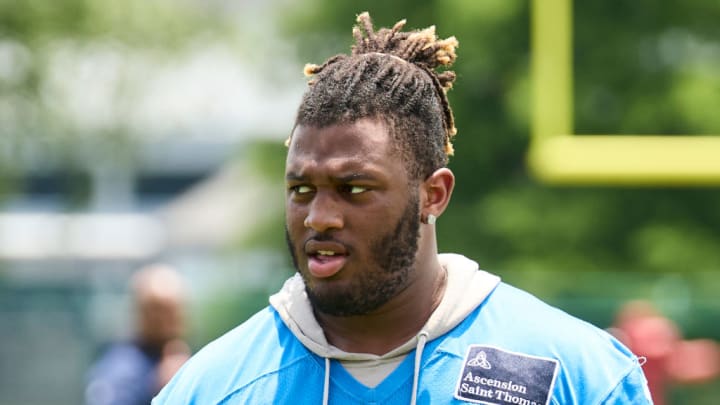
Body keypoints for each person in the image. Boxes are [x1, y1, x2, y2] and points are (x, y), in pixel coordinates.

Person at [154, 12, 653, 404]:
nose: (319, 217)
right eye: (302, 190)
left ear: (433, 194)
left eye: (354, 189)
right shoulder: (213, 389)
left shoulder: (575, 375)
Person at [86, 264, 191, 405]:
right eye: (157, 309)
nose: (166, 319)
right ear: (139, 311)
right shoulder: (121, 367)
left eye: (174, 309)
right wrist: (162, 392)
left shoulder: (183, 357)